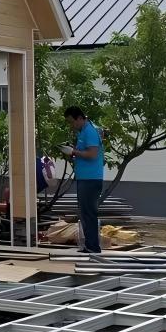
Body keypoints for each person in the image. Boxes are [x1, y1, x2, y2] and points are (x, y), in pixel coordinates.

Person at [62, 105, 104, 254]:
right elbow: (84, 152)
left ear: (80, 118)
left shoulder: (90, 131)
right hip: (85, 178)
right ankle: (89, 246)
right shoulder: (83, 131)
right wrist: (73, 152)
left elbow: (92, 154)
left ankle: (93, 247)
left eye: (72, 121)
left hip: (90, 179)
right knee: (85, 213)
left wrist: (73, 152)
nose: (71, 125)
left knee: (89, 213)